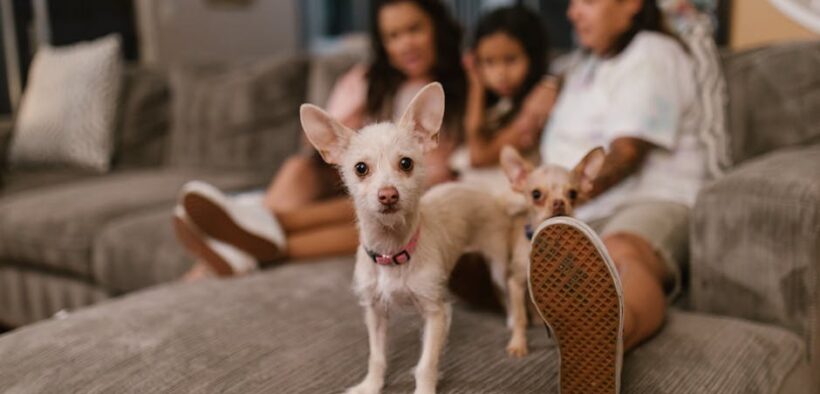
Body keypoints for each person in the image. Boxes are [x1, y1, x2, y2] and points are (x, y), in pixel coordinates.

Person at [174, 0, 467, 280]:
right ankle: (249, 232)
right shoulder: (367, 79)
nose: (405, 44)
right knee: (300, 167)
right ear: (383, 44)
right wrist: (349, 121)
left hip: (412, 193)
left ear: (436, 27)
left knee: (377, 214)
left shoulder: (462, 84)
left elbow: (471, 155)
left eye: (414, 29)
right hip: (353, 176)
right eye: (393, 36)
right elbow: (316, 141)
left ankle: (249, 238)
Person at [526, 0, 706, 392]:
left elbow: (626, 155)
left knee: (619, 250)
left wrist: (559, 202)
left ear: (632, 5)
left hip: (655, 196)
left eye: (587, 1)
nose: (573, 13)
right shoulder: (582, 66)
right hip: (584, 209)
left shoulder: (652, 52)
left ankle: (606, 340)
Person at [461, 5, 555, 169]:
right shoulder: (498, 102)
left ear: (533, 56)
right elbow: (474, 135)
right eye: (489, 62)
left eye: (510, 59)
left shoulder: (537, 101)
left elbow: (478, 157)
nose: (500, 74)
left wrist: (476, 87)